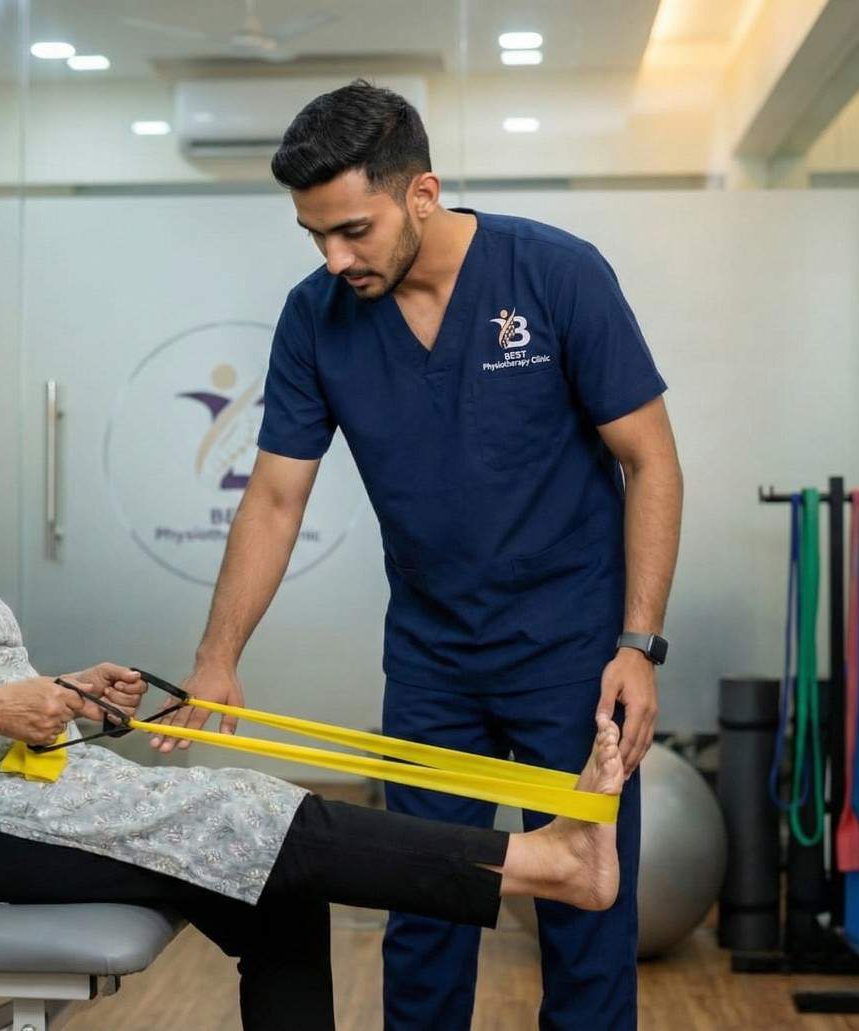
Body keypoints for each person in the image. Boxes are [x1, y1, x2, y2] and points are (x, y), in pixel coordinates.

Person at [0, 315, 627, 1031]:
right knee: (243, 812)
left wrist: (68, 693)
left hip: (5, 788)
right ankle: (541, 859)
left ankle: (543, 857)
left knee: (277, 886)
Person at [154, 81, 683, 1029]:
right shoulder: (315, 317)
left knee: (588, 909)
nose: (334, 256)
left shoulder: (556, 275)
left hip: (574, 650)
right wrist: (217, 657)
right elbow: (275, 497)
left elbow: (650, 459)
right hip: (436, 657)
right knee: (426, 904)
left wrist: (638, 645)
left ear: (423, 194)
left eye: (353, 229)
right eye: (315, 234)